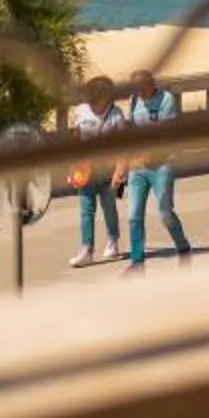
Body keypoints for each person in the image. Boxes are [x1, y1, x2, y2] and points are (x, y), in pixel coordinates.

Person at [121, 68, 194, 268]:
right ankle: (137, 259)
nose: (139, 94)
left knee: (165, 212)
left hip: (162, 164)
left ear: (151, 84)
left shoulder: (166, 100)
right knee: (134, 215)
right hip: (138, 167)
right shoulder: (134, 101)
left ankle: (183, 246)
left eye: (142, 89)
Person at [65, 75, 127, 268]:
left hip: (108, 172)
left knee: (109, 208)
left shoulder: (116, 115)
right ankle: (86, 249)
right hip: (85, 171)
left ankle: (112, 240)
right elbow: (73, 140)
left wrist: (120, 171)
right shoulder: (80, 111)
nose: (91, 102)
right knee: (86, 210)